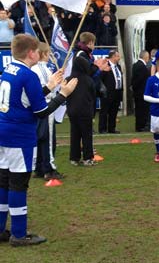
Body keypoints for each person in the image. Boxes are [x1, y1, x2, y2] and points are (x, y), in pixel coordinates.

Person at [0, 34, 77, 246]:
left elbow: (26, 100)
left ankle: (1, 229)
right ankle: (18, 233)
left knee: (4, 181)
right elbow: (41, 111)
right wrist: (64, 94)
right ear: (31, 53)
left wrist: (50, 86)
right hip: (19, 136)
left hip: (4, 131)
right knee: (18, 184)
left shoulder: (9, 69)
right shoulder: (28, 74)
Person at [31, 43, 62, 180]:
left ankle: (38, 167)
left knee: (40, 137)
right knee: (48, 138)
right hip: (46, 105)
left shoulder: (33, 68)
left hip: (38, 106)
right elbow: (48, 88)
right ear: (44, 54)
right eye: (49, 53)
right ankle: (49, 168)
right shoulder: (42, 68)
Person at [67, 54, 97, 166]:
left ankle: (74, 158)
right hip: (85, 112)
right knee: (87, 135)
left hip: (72, 111)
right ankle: (88, 158)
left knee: (74, 134)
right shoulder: (88, 80)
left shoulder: (68, 79)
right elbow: (93, 96)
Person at [99, 50, 123, 134]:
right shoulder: (105, 65)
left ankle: (112, 128)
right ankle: (102, 128)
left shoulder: (118, 67)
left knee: (114, 111)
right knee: (104, 111)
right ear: (113, 57)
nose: (119, 58)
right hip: (107, 92)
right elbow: (100, 78)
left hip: (117, 92)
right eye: (117, 56)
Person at [131, 50, 150, 132]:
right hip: (141, 92)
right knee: (142, 110)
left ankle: (140, 126)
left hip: (138, 92)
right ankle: (141, 126)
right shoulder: (141, 67)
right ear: (145, 57)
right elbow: (139, 80)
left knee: (139, 109)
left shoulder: (136, 65)